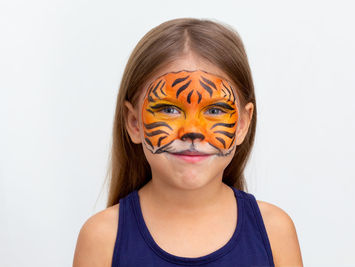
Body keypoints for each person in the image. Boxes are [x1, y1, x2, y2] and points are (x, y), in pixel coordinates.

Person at [73, 18, 303, 267]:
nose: (193, 131)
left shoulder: (274, 233)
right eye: (169, 109)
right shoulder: (102, 237)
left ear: (242, 124)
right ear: (134, 122)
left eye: (214, 110)